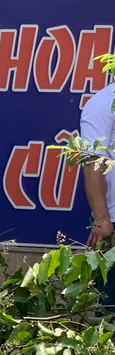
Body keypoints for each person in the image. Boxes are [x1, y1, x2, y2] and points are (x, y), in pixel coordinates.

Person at [80, 80, 115, 312]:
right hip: (114, 222)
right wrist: (102, 219)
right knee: (112, 304)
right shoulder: (104, 102)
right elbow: (93, 162)